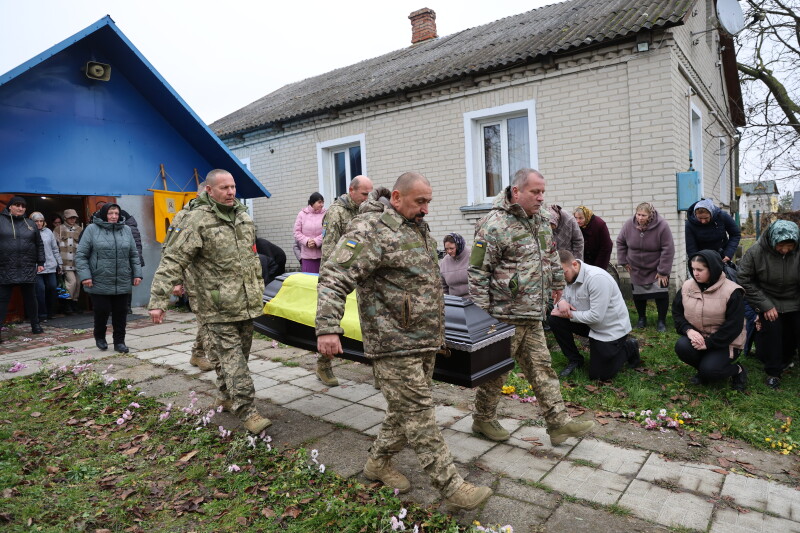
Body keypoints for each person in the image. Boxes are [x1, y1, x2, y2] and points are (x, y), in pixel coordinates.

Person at [316, 172, 492, 511]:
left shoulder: (416, 227)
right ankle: (451, 486)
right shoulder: (369, 230)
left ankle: (377, 463)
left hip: (424, 339)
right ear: (396, 198)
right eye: (419, 202)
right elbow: (334, 276)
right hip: (392, 342)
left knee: (403, 410)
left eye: (428, 201)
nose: (426, 209)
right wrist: (327, 326)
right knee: (420, 413)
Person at [468, 168, 594, 446]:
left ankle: (558, 424)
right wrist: (480, 316)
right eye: (535, 192)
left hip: (532, 312)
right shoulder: (493, 224)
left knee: (543, 368)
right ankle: (482, 418)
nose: (541, 197)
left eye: (542, 192)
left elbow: (550, 254)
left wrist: (558, 283)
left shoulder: (540, 221)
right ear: (516, 192)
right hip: (503, 316)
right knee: (496, 372)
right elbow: (477, 271)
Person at [148, 169, 271, 434]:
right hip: (214, 305)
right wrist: (159, 299)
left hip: (245, 302)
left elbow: (249, 257)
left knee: (238, 359)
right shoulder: (194, 220)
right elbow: (172, 259)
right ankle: (248, 412)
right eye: (224, 188)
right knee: (233, 361)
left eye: (233, 187)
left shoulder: (242, 216)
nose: (230, 192)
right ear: (209, 190)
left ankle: (226, 397)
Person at [315, 175, 374, 386]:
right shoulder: (336, 213)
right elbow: (329, 251)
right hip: (341, 276)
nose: (368, 198)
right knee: (334, 322)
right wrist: (329, 284)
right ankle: (324, 365)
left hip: (364, 275)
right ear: (352, 190)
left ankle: (379, 369)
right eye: (364, 194)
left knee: (371, 322)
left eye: (370, 194)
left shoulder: (367, 211)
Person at [549, 250, 640, 379]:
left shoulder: (597, 278)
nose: (560, 278)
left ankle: (628, 347)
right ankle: (575, 360)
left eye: (563, 273)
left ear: (574, 264)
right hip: (587, 323)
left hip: (609, 328)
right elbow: (555, 302)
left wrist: (567, 314)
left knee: (599, 376)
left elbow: (596, 317)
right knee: (554, 319)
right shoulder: (564, 277)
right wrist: (561, 301)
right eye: (556, 275)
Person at [672, 250, 748, 390]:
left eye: (700, 269)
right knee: (682, 346)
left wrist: (709, 343)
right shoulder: (687, 286)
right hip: (700, 338)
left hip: (726, 342)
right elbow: (677, 313)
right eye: (693, 269)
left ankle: (737, 370)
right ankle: (705, 370)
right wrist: (688, 330)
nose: (695, 273)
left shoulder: (732, 291)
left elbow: (734, 326)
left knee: (710, 370)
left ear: (713, 269)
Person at [737, 220, 800, 389]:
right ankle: (773, 372)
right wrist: (764, 305)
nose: (785, 250)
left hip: (795, 299)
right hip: (768, 299)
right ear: (773, 240)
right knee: (773, 331)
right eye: (781, 246)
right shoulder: (756, 252)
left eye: (789, 246)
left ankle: (788, 358)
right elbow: (743, 278)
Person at [162, 182, 215, 373]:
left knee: (209, 320)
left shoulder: (218, 215)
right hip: (196, 281)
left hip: (217, 282)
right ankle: (203, 355)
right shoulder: (184, 216)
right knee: (206, 320)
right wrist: (176, 282)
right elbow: (170, 251)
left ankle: (197, 353)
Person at [76, 203, 143, 353]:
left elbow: (133, 254)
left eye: (116, 214)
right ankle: (99, 336)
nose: (113, 217)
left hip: (122, 279)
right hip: (99, 279)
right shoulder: (92, 229)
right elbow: (81, 255)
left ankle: (119, 341)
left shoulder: (126, 230)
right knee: (102, 311)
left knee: (121, 313)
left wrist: (137, 273)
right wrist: (85, 276)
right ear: (104, 214)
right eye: (110, 213)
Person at [616, 202, 675, 332]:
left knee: (661, 294)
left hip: (657, 267)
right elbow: (620, 242)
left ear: (650, 215)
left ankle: (661, 321)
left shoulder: (662, 226)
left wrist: (663, 271)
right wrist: (623, 261)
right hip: (636, 267)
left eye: (644, 215)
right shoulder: (628, 225)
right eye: (638, 214)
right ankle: (642, 318)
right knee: (638, 295)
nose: (640, 218)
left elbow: (668, 248)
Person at [0, 196, 45, 340]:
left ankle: (35, 325)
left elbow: (39, 244)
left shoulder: (30, 223)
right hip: (6, 267)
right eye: (17, 205)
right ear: (10, 207)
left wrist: (41, 262)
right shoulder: (0, 221)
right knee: (2, 300)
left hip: (27, 266)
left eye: (23, 206)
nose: (20, 208)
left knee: (31, 298)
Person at [30, 212, 62, 322]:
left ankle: (51, 312)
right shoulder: (28, 232)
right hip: (36, 267)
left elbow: (55, 249)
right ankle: (42, 314)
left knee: (52, 288)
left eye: (41, 221)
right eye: (36, 221)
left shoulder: (48, 232)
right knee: (40, 289)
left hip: (51, 265)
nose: (39, 223)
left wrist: (59, 263)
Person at [685, 199, 741, 263]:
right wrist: (696, 261)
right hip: (701, 258)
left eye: (706, 218)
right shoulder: (690, 224)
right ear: (695, 215)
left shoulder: (722, 216)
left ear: (711, 213)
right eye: (699, 218)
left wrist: (728, 253)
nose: (703, 221)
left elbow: (735, 234)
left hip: (722, 256)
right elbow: (691, 247)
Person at [54, 209, 83, 314]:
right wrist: (58, 263)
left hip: (77, 262)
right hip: (65, 262)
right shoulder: (59, 229)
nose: (73, 219)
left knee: (78, 283)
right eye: (71, 217)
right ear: (65, 218)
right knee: (71, 282)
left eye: (74, 217)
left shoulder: (80, 229)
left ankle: (74, 303)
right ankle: (66, 304)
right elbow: (54, 247)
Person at [294, 192, 326, 273]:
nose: (322, 204)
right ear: (312, 203)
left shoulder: (326, 214)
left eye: (323, 202)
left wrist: (316, 241)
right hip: (307, 256)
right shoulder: (302, 214)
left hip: (322, 255)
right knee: (308, 281)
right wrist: (307, 241)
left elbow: (328, 231)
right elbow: (296, 232)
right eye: (319, 202)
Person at [573, 206, 612, 270]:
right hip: (584, 260)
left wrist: (598, 266)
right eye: (576, 218)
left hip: (599, 258)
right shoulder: (576, 226)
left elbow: (606, 246)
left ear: (587, 216)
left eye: (581, 218)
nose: (578, 221)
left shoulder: (599, 224)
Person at [439, 233, 471, 297]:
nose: (449, 251)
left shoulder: (472, 256)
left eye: (451, 248)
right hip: (455, 301)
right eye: (446, 249)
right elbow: (443, 286)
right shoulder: (444, 262)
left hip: (473, 300)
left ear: (459, 245)